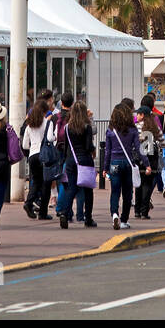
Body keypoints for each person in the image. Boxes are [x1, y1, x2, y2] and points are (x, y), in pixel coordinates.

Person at [56, 97, 97, 229]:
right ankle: (88, 218)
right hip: (84, 160)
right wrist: (93, 150)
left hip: (71, 160)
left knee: (71, 188)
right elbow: (88, 146)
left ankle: (64, 213)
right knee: (88, 190)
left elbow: (67, 146)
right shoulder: (87, 127)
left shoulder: (67, 127)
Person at [103, 103, 146, 230]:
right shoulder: (132, 130)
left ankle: (114, 214)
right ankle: (123, 220)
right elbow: (139, 149)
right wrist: (146, 164)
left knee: (115, 192)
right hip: (128, 163)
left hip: (114, 163)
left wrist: (105, 168)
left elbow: (107, 151)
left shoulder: (110, 130)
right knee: (127, 193)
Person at [22, 99, 56, 220]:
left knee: (36, 182)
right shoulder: (48, 123)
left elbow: (25, 145)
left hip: (32, 156)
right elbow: (50, 138)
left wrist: (33, 146)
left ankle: (28, 202)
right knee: (46, 184)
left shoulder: (29, 125)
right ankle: (43, 212)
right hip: (43, 156)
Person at [134, 104, 163, 219]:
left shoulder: (136, 127)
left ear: (142, 115)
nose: (137, 116)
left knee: (138, 184)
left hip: (139, 157)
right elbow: (163, 143)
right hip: (151, 158)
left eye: (138, 114)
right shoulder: (155, 127)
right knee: (147, 184)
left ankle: (136, 210)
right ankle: (144, 212)